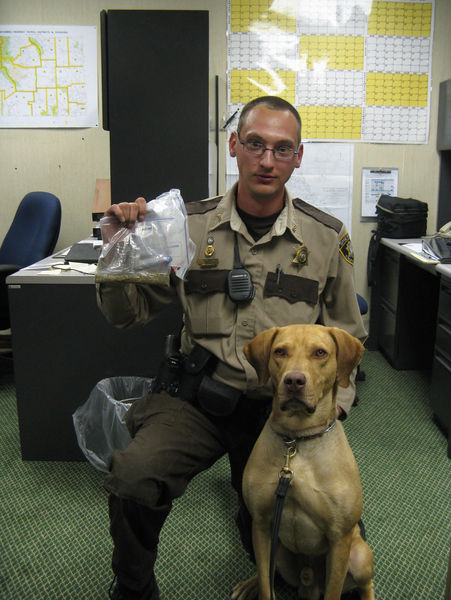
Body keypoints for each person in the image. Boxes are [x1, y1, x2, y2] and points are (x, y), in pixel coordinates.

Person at [97, 96, 367, 600]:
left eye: (282, 149)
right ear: (234, 146)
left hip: (285, 410)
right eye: (256, 144)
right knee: (134, 476)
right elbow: (126, 313)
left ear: (299, 156)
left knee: (339, 565)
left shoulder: (327, 238)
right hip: (201, 397)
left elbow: (349, 331)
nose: (267, 161)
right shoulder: (186, 227)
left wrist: (331, 416)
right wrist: (118, 251)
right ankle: (133, 589)